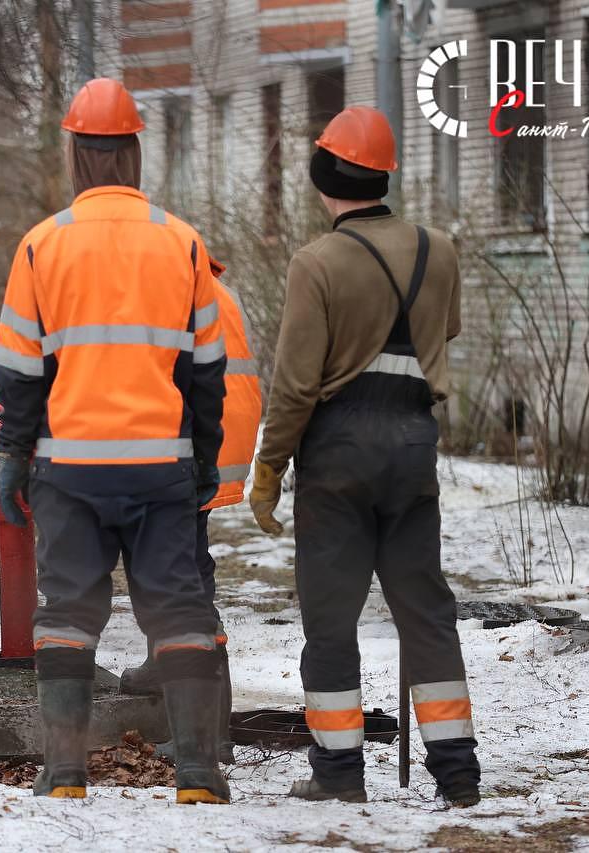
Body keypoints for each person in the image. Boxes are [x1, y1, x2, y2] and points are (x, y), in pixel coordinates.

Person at [0, 78, 228, 803]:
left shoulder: (42, 246)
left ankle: (64, 772)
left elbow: (20, 376)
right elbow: (208, 374)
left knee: (66, 614)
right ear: (132, 153)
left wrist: (15, 457)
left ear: (75, 153)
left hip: (71, 469)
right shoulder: (182, 242)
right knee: (179, 611)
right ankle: (198, 774)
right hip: (161, 466)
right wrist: (205, 461)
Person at [248, 106, 481, 807]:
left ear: (324, 176)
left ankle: (340, 775)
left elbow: (294, 384)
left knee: (330, 617)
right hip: (413, 445)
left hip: (339, 453)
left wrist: (268, 470)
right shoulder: (439, 249)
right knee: (426, 612)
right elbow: (450, 327)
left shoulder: (316, 262)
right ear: (384, 175)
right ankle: (459, 776)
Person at [118, 257, 263, 766]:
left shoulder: (172, 287)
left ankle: (203, 734)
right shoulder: (213, 286)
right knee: (171, 570)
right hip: (212, 442)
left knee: (179, 582)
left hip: (189, 449)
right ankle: (167, 665)